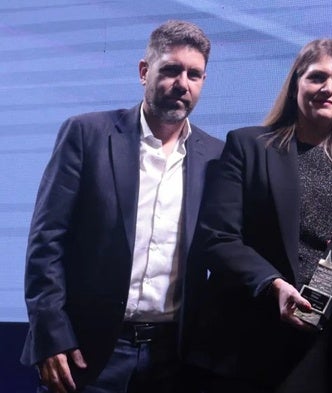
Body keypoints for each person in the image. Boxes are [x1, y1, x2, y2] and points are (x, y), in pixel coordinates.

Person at [20, 20, 223, 393]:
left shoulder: (216, 156)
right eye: (171, 70)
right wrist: (49, 335)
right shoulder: (87, 135)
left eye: (194, 74)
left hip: (173, 360)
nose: (183, 84)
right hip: (86, 353)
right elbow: (46, 243)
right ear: (144, 71)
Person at [185, 38, 332, 393]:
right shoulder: (248, 147)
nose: (327, 89)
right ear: (296, 83)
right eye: (316, 77)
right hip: (252, 342)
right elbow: (217, 239)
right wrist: (273, 284)